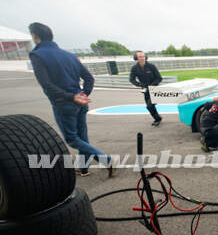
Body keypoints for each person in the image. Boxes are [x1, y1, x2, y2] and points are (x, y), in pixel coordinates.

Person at [28, 22, 114, 178]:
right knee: (82, 137)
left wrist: (71, 97)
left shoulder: (37, 55)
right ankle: (84, 168)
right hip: (80, 101)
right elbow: (89, 79)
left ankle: (106, 160)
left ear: (35, 36)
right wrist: (83, 95)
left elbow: (46, 84)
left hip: (64, 103)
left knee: (72, 139)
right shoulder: (70, 55)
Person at [129, 51, 163, 126]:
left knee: (150, 105)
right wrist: (139, 84)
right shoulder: (134, 68)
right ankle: (158, 118)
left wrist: (152, 85)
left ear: (146, 57)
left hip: (154, 89)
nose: (142, 58)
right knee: (150, 106)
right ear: (136, 58)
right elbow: (131, 79)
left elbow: (159, 78)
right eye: (140, 57)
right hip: (145, 90)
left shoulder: (151, 66)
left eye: (143, 56)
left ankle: (157, 119)